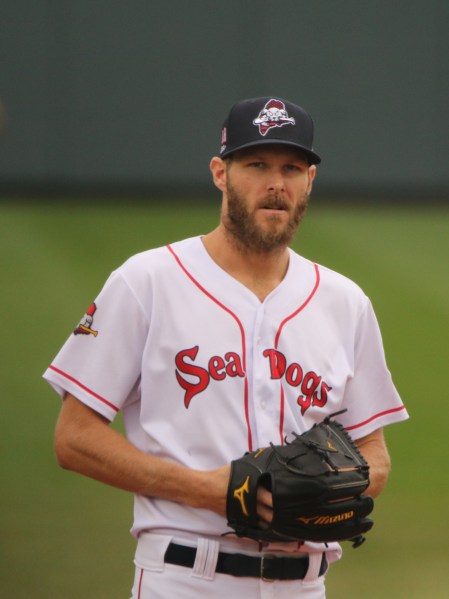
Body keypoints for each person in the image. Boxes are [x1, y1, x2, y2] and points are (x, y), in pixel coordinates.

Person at [44, 96, 408, 599]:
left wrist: (328, 491)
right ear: (221, 173)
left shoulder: (345, 303)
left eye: (291, 168)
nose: (276, 184)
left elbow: (375, 453)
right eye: (257, 165)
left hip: (305, 586)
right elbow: (74, 438)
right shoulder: (147, 281)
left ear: (309, 181)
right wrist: (205, 490)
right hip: (184, 578)